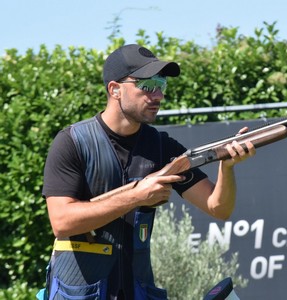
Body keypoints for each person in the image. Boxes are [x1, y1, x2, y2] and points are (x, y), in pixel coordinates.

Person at [40, 44, 255, 300]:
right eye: (148, 85)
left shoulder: (162, 147)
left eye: (161, 85)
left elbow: (219, 208)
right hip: (78, 293)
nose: (158, 96)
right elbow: (62, 221)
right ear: (115, 89)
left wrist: (226, 167)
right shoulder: (72, 142)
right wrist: (137, 196)